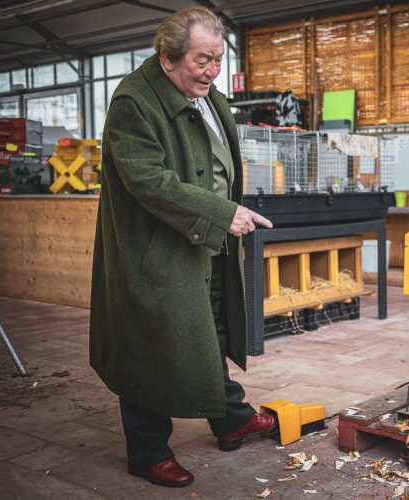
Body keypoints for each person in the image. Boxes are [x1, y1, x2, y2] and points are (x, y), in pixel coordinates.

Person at [89, 7, 276, 488]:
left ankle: (230, 418)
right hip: (158, 246)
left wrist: (222, 212)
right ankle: (147, 451)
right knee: (150, 342)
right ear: (168, 57)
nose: (213, 71)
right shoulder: (134, 99)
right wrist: (219, 213)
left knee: (206, 330)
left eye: (217, 59)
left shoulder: (206, 94)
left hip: (203, 238)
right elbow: (147, 179)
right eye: (202, 61)